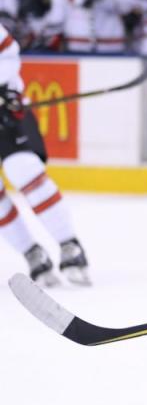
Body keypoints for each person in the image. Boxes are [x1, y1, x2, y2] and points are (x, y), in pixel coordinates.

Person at [0, 23, 90, 285]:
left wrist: (5, 90)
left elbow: (6, 51)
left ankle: (68, 244)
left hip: (5, 112)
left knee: (24, 170)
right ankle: (32, 253)